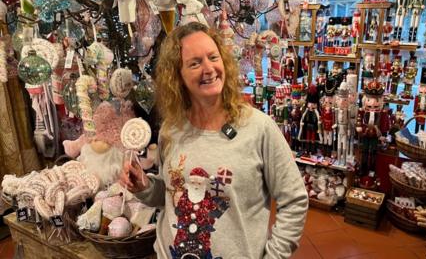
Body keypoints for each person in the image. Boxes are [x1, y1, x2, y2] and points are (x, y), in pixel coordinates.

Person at [120, 22, 308, 259]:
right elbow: (171, 193)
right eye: (195, 63)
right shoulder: (172, 128)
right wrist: (145, 187)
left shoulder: (258, 128)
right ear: (177, 75)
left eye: (213, 57)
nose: (208, 69)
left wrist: (274, 255)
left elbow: (294, 200)